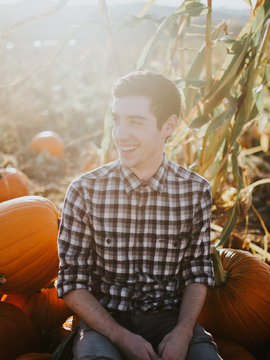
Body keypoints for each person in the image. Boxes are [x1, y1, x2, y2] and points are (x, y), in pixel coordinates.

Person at [56, 71, 222, 360]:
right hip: (105, 323)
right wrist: (120, 336)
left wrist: (183, 332)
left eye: (135, 122)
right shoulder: (84, 191)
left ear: (168, 125)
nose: (120, 134)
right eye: (117, 120)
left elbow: (198, 271)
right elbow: (73, 281)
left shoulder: (195, 191)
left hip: (171, 320)